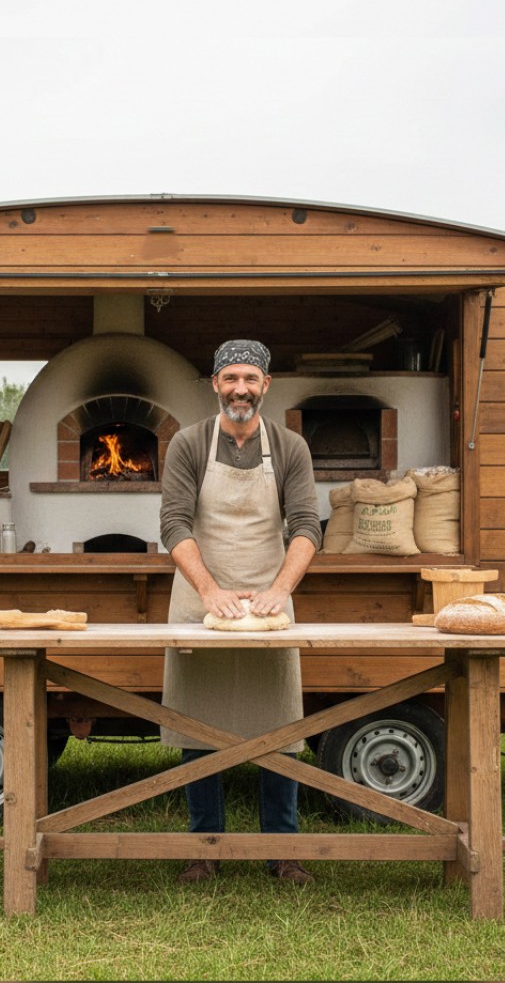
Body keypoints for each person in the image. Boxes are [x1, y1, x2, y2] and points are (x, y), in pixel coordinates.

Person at [158, 339, 323, 884]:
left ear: (266, 385)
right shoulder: (186, 443)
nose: (240, 389)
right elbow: (174, 525)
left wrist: (278, 590)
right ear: (215, 384)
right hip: (200, 598)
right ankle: (206, 847)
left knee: (279, 725)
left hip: (268, 600)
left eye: (250, 379)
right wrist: (209, 592)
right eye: (230, 379)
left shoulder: (291, 447)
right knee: (195, 725)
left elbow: (305, 526)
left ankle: (283, 850)